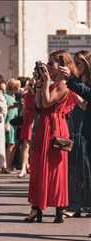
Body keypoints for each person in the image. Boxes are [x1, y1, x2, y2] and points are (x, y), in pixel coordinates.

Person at [25, 50, 78, 223]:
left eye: (51, 63)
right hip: (44, 125)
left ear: (62, 65)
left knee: (56, 169)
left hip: (56, 126)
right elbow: (40, 105)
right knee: (40, 166)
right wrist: (40, 86)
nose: (48, 65)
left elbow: (48, 102)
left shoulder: (64, 84)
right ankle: (37, 207)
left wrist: (46, 82)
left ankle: (58, 209)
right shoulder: (53, 83)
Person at [59, 50, 91, 217]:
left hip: (85, 128)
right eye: (75, 62)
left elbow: (86, 103)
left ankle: (83, 204)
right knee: (74, 168)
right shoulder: (75, 82)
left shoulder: (79, 83)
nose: (76, 65)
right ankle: (74, 204)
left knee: (85, 167)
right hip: (73, 126)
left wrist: (74, 91)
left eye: (79, 63)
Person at [18, 79, 36, 178]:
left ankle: (31, 166)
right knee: (25, 146)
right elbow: (24, 109)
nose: (32, 86)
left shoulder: (39, 94)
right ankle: (23, 168)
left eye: (33, 85)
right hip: (28, 120)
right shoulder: (26, 95)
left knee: (34, 147)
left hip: (36, 120)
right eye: (30, 84)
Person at [4, 79, 21, 173]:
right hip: (9, 123)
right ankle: (6, 166)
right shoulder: (6, 96)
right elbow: (4, 108)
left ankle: (9, 165)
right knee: (11, 144)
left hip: (14, 123)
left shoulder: (13, 96)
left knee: (13, 144)